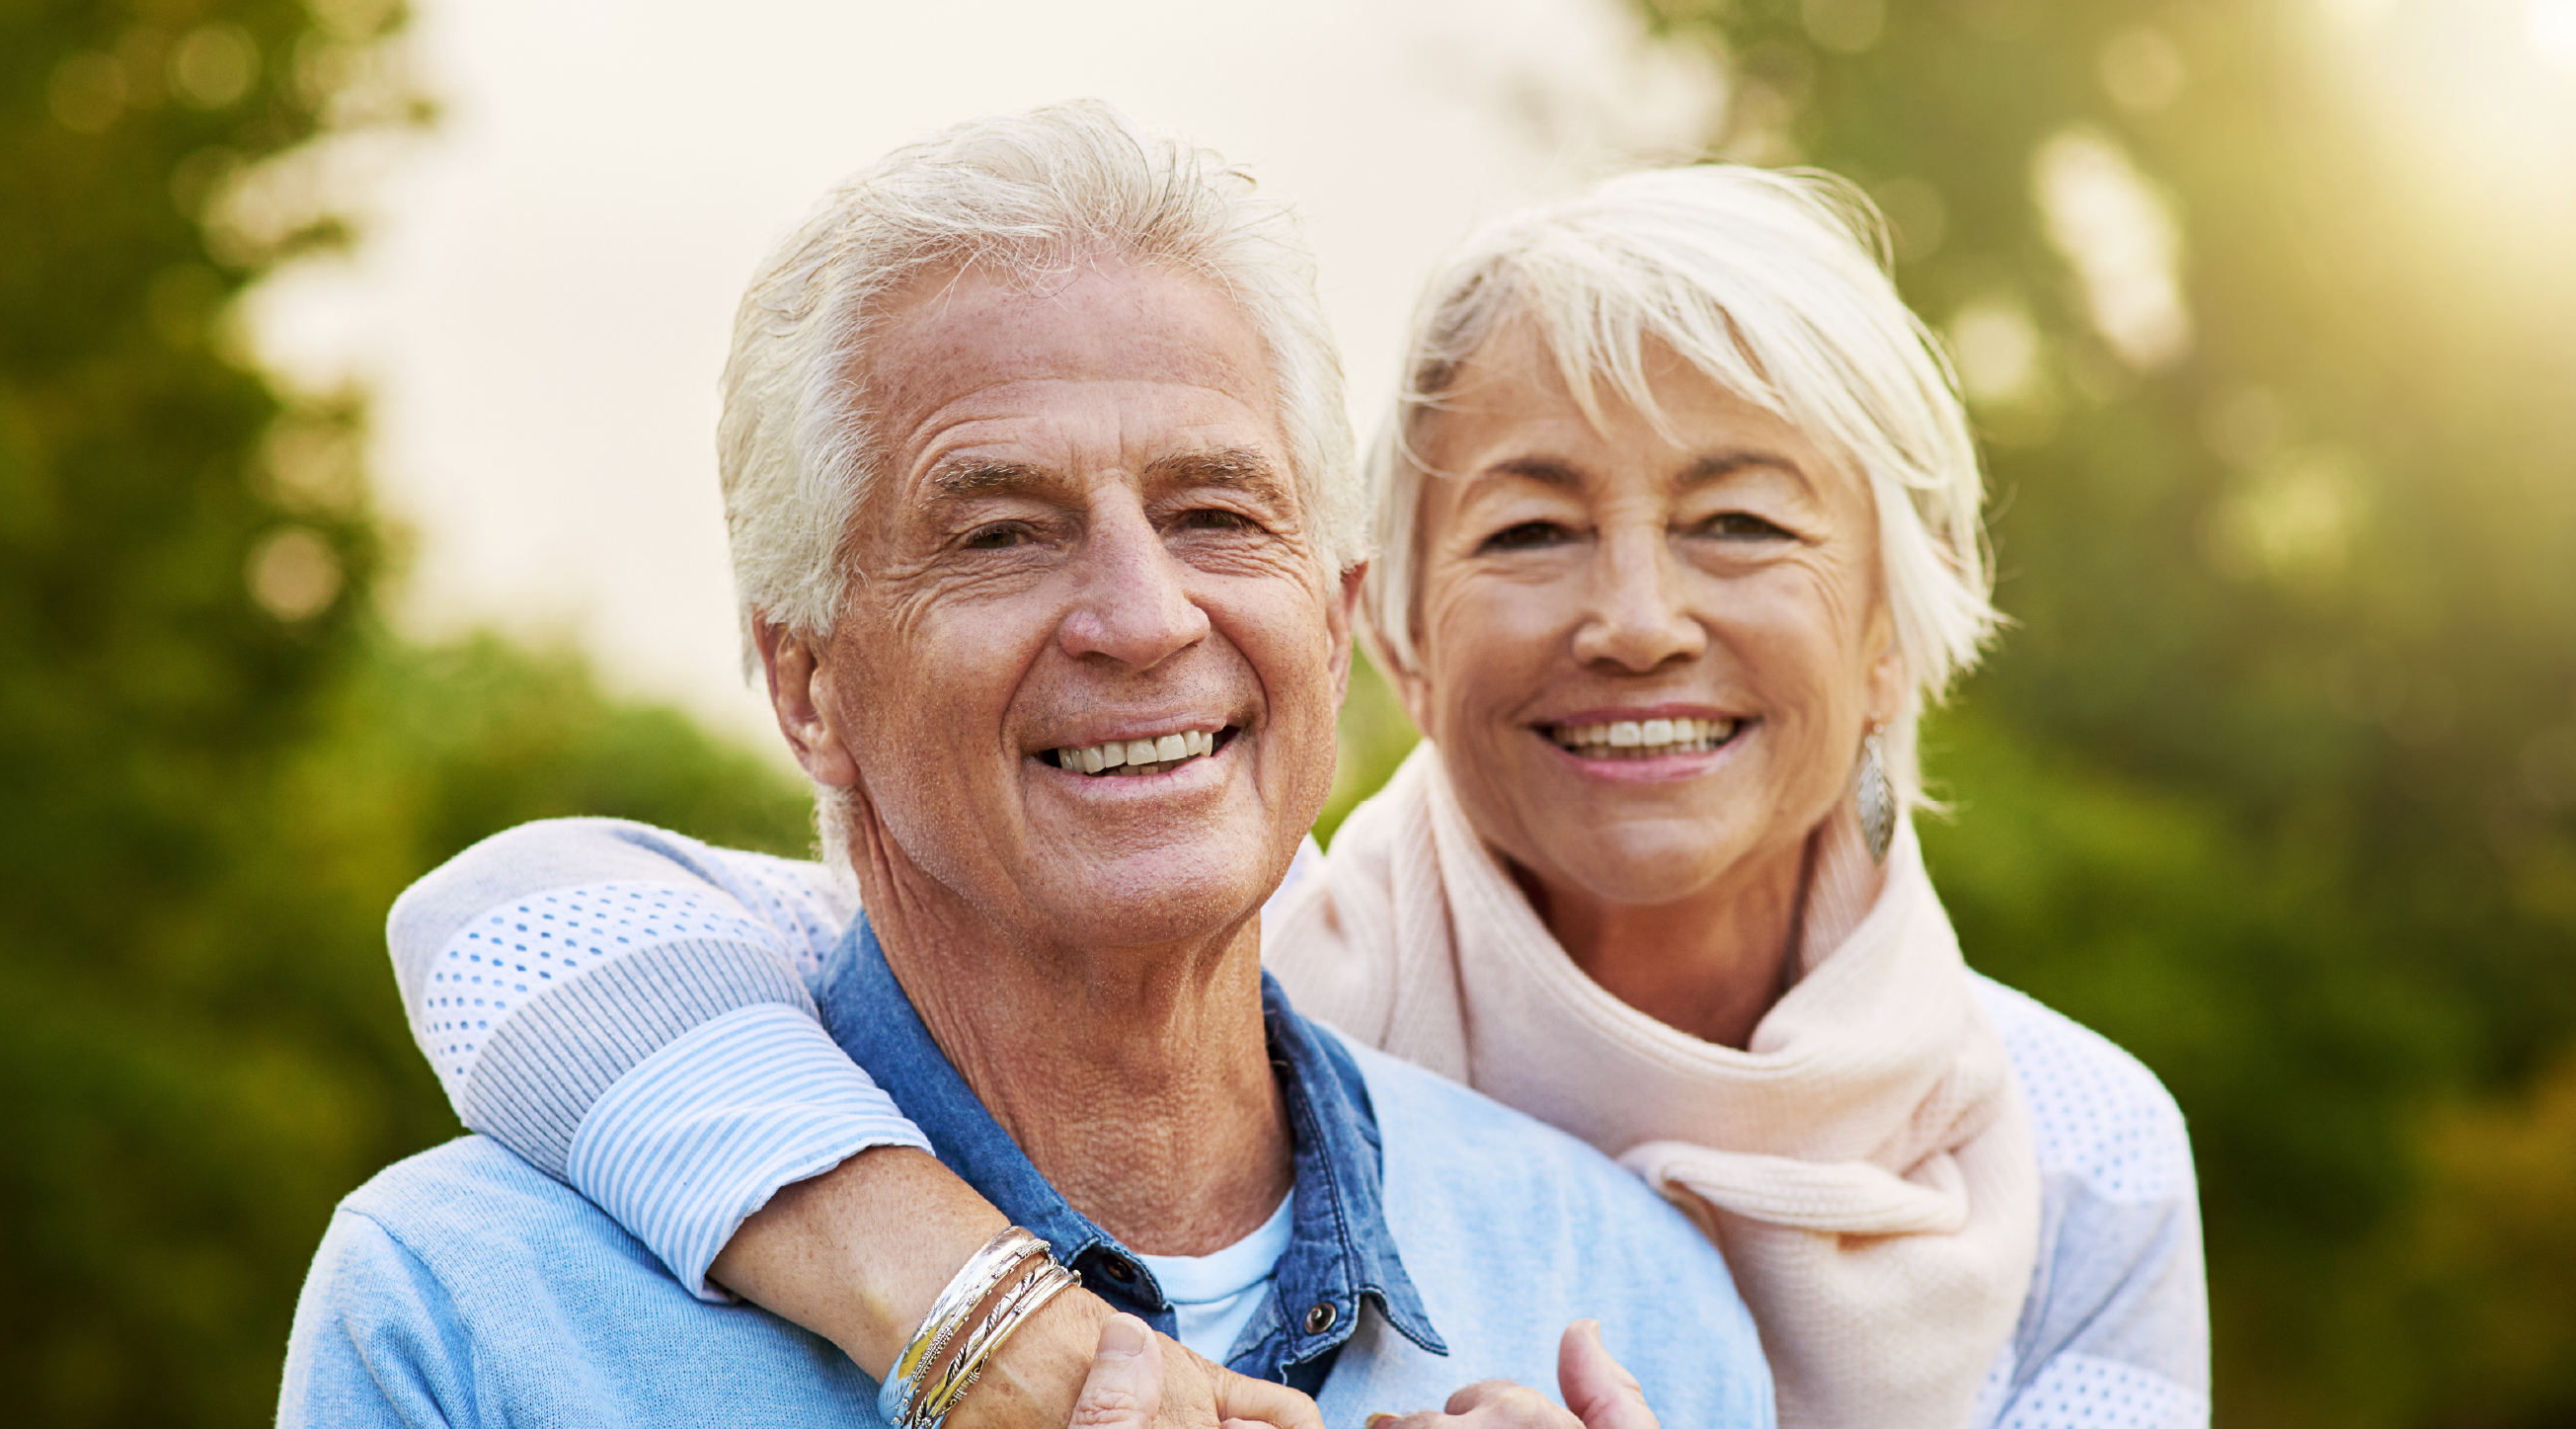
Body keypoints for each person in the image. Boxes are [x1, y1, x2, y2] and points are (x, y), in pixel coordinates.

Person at [372, 163, 2208, 1427]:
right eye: (1530, 530)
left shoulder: (2069, 1148)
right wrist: (983, 1317)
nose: (1636, 619)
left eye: (1738, 521)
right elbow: (528, 929)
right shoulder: (1238, 964)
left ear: (1897, 623)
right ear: (1385, 627)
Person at [278, 101, 1774, 1429]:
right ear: (808, 686)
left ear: (1330, 623)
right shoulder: (469, 1314)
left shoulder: (1629, 1296)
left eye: (1213, 512)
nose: (1140, 617)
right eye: (999, 533)